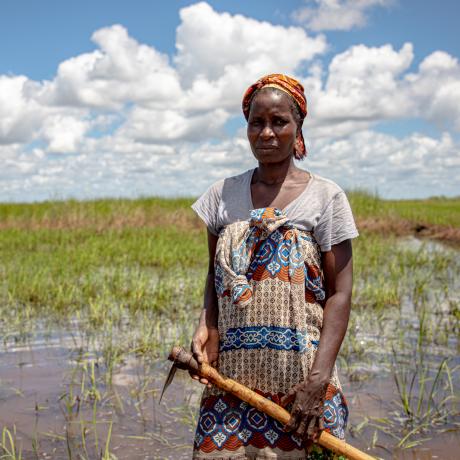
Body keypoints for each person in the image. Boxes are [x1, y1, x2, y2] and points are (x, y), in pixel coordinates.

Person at [190, 74, 358, 459]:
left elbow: (340, 293)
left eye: (279, 122)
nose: (266, 133)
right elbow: (215, 277)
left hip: (301, 378)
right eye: (256, 122)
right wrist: (207, 325)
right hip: (233, 377)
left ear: (297, 127)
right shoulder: (222, 195)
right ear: (246, 127)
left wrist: (317, 382)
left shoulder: (325, 197)